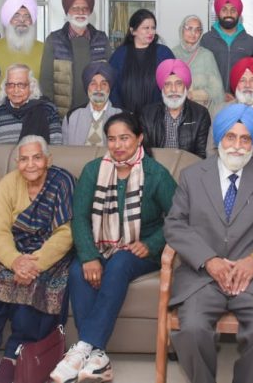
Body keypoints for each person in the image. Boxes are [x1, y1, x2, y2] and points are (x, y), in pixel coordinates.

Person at [164, 104, 253, 383]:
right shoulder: (193, 175)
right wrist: (208, 260)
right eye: (230, 137)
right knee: (192, 330)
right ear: (219, 139)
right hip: (203, 275)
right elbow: (174, 224)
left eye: (245, 139)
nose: (237, 146)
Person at [52, 113, 177, 383]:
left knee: (120, 263)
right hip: (99, 243)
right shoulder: (93, 170)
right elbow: (80, 217)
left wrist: (152, 243)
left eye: (124, 138)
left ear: (139, 138)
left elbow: (180, 217)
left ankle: (83, 346)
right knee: (78, 271)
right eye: (112, 139)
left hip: (140, 249)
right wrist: (88, 256)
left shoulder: (155, 174)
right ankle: (99, 358)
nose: (118, 145)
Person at [0, 136, 75, 383]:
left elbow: (65, 232)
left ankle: (14, 355)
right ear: (17, 162)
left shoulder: (62, 181)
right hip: (14, 250)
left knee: (36, 284)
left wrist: (35, 263)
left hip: (48, 253)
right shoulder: (8, 183)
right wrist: (15, 261)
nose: (30, 164)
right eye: (24, 159)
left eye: (36, 158)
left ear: (48, 160)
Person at [40, 0, 111, 118]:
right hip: (63, 114)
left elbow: (110, 77)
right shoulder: (54, 40)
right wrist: (50, 113)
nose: (80, 12)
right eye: (75, 8)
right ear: (67, 11)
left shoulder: (101, 39)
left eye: (85, 8)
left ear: (90, 12)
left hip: (97, 111)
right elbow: (46, 81)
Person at [108, 8, 175, 117]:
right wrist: (121, 112)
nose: (150, 32)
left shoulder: (163, 53)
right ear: (133, 31)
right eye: (146, 28)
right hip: (124, 117)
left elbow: (172, 83)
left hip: (156, 117)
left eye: (153, 28)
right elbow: (111, 86)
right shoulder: (120, 55)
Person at [141, 59, 211, 159]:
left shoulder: (200, 115)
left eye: (178, 84)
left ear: (185, 87)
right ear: (162, 88)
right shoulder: (147, 114)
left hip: (189, 167)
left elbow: (201, 155)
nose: (173, 89)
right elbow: (144, 154)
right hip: (156, 167)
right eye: (168, 84)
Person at [0, 64, 62, 145]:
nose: (16, 90)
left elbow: (56, 147)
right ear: (5, 88)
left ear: (31, 87)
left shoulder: (48, 110)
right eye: (11, 85)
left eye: (21, 85)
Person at [0, 0, 45, 96]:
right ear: (8, 19)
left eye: (27, 16)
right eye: (16, 16)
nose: (22, 20)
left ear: (32, 21)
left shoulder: (44, 49)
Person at [199, 0, 253, 95]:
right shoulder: (206, 40)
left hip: (241, 98)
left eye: (233, 10)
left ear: (238, 14)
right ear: (218, 13)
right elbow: (201, 72)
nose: (229, 14)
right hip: (213, 99)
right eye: (224, 10)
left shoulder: (250, 42)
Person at [62, 61, 122, 147]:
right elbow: (65, 151)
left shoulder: (122, 116)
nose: (98, 88)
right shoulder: (72, 117)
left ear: (109, 88)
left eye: (104, 84)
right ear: (87, 88)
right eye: (93, 84)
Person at [172, 14, 223, 114]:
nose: (193, 33)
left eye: (197, 29)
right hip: (176, 110)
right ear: (182, 30)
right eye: (189, 28)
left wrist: (192, 95)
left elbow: (217, 90)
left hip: (201, 112)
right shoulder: (172, 54)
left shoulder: (207, 56)